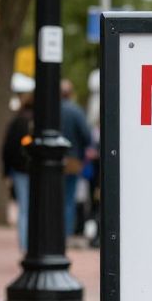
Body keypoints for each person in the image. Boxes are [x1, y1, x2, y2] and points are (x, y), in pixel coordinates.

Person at [60, 78, 92, 240]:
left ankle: (54, 232)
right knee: (69, 198)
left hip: (53, 160)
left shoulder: (51, 110)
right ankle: (66, 234)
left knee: (54, 196)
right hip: (72, 159)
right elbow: (87, 136)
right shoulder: (76, 111)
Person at [2, 91, 33, 252]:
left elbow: (8, 147)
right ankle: (32, 244)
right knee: (35, 208)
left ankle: (24, 246)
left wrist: (6, 171)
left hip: (20, 170)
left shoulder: (18, 120)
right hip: (37, 170)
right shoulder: (41, 121)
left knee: (24, 208)